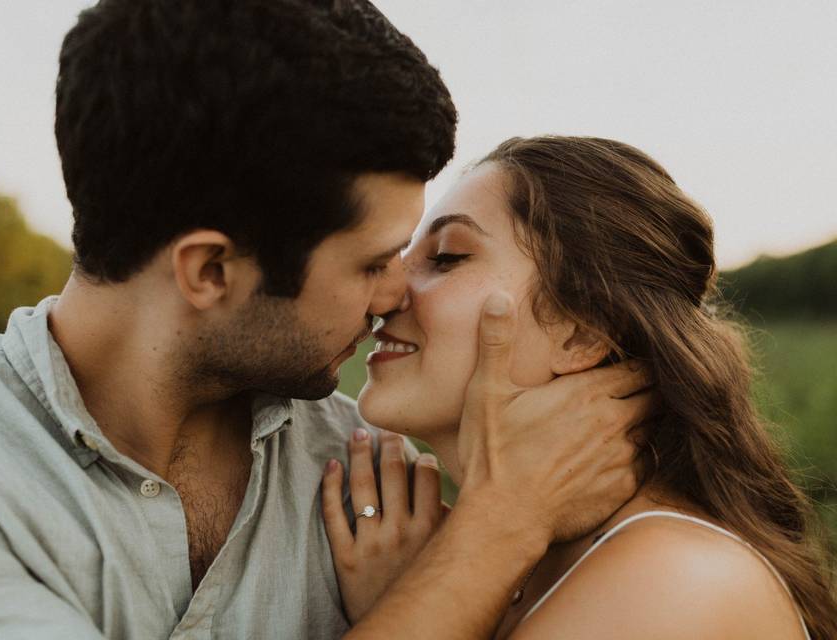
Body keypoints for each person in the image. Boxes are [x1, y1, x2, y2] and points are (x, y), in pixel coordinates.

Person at [0, 3, 650, 638]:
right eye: (372, 263)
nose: (392, 296)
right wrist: (500, 530)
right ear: (210, 270)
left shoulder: (377, 486)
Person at [323, 136, 837, 639]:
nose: (385, 293)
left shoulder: (667, 580)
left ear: (583, 332)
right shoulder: (534, 570)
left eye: (447, 257)